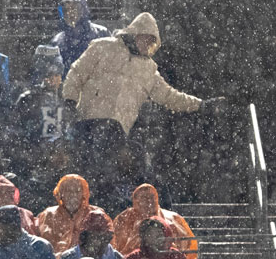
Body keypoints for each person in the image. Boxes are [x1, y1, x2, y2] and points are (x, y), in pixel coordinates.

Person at [64, 12, 216, 160]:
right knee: (83, 173)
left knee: (104, 177)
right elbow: (77, 72)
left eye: (152, 42)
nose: (148, 45)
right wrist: (70, 100)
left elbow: (169, 96)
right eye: (147, 39)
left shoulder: (148, 70)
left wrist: (200, 105)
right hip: (88, 123)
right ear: (136, 33)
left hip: (117, 134)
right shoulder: (103, 47)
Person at [113, 183, 200, 259]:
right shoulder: (123, 220)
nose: (148, 201)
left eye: (152, 197)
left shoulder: (174, 220)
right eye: (144, 197)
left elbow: (191, 254)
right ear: (135, 201)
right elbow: (115, 251)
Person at [35, 173, 105, 254]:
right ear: (61, 194)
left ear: (83, 194)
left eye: (77, 191)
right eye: (68, 191)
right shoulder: (49, 214)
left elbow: (106, 246)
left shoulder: (96, 214)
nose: (73, 195)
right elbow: (44, 245)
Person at [57, 209, 122, 259]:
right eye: (93, 236)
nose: (97, 241)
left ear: (107, 238)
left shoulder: (117, 258)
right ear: (85, 236)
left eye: (101, 236)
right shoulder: (68, 258)